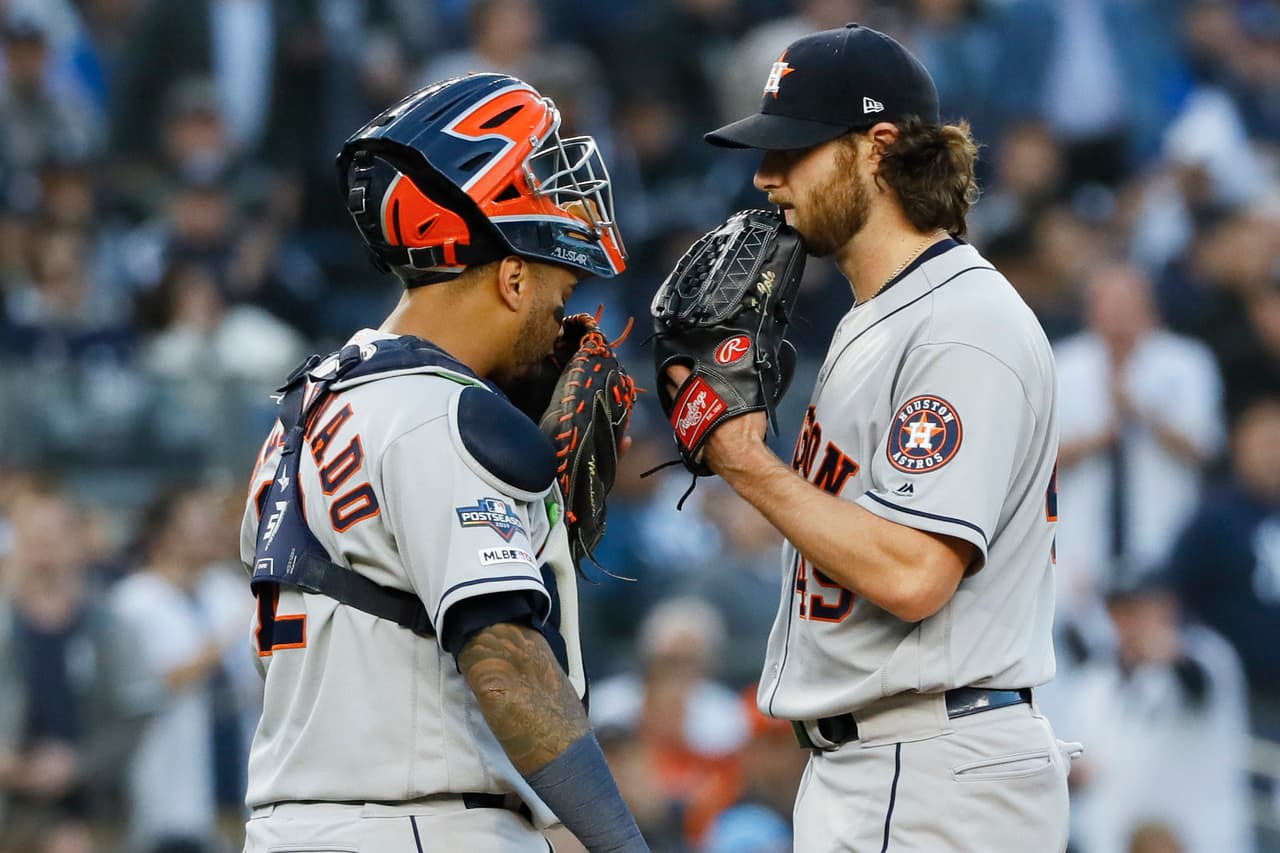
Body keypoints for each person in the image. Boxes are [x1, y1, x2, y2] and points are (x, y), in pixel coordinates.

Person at [669, 24, 1075, 850]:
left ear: (878, 148)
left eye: (794, 150)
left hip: (930, 763)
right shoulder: (882, 316)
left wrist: (746, 462)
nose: (764, 175)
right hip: (896, 761)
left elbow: (917, 570)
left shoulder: (961, 324)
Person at [238, 74, 646, 852]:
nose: (564, 313)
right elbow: (503, 662)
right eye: (559, 287)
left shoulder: (304, 411)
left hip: (299, 823)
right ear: (513, 274)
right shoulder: (436, 414)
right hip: (418, 823)